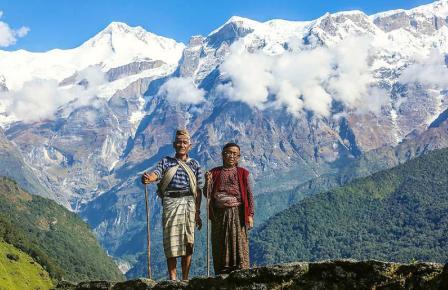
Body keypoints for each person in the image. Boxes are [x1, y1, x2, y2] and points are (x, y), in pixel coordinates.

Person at [141, 129, 202, 281]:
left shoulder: (195, 165)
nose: (182, 144)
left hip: (189, 203)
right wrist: (149, 178)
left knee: (188, 241)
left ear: (190, 145)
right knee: (171, 240)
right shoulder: (166, 162)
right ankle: (173, 278)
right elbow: (157, 173)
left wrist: (197, 212)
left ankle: (185, 278)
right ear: (174, 145)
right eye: (179, 142)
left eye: (185, 142)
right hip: (171, 203)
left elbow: (199, 190)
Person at [205, 142, 254, 275]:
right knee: (220, 241)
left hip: (237, 213)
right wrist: (207, 183)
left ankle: (241, 269)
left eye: (234, 154)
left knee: (239, 241)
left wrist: (250, 215)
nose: (231, 156)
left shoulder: (243, 173)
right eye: (228, 153)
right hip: (219, 214)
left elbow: (249, 194)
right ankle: (222, 270)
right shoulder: (214, 172)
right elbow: (207, 194)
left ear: (238, 157)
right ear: (222, 155)